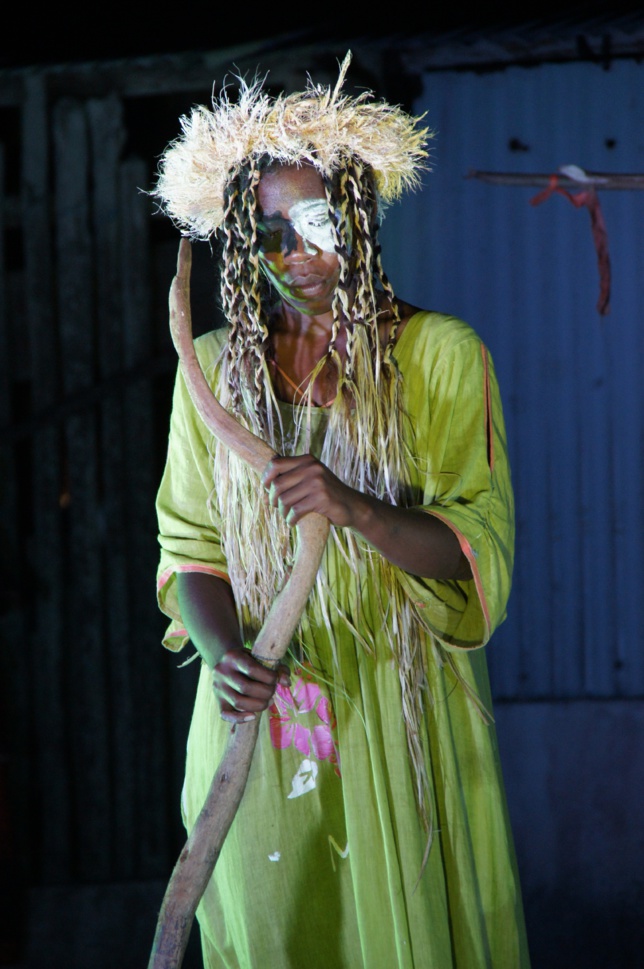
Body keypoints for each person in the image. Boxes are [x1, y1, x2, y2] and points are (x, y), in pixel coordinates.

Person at [153, 54, 530, 969]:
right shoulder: (212, 373)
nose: (297, 256)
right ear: (244, 243)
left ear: (356, 218)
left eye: (316, 224)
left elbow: (474, 548)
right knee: (275, 931)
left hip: (395, 708)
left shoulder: (439, 357)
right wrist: (223, 653)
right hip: (267, 713)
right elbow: (190, 549)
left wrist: (354, 507)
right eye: (269, 233)